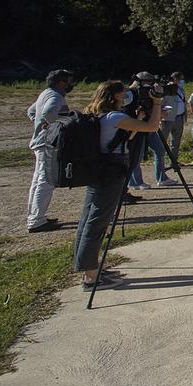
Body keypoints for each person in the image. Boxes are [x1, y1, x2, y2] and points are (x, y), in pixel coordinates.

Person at [74, 80, 162, 291]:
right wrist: (157, 104)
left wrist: (137, 120)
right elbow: (152, 127)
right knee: (97, 222)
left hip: (99, 169)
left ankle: (89, 267)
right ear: (114, 96)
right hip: (111, 171)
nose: (127, 96)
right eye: (123, 93)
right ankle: (91, 277)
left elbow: (121, 138)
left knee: (89, 218)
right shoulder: (116, 117)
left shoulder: (97, 115)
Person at [25, 68, 75, 233]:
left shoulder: (46, 93)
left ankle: (35, 216)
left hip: (40, 142)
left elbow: (31, 111)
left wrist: (39, 124)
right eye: (68, 81)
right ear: (61, 82)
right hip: (46, 143)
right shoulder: (55, 96)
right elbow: (47, 113)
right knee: (46, 181)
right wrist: (51, 127)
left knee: (38, 181)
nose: (70, 84)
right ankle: (37, 221)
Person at [162, 71, 187, 166]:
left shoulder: (181, 89)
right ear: (175, 79)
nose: (183, 81)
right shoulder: (166, 89)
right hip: (167, 118)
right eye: (181, 79)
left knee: (176, 141)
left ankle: (173, 161)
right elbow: (161, 102)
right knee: (163, 140)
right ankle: (160, 162)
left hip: (179, 117)